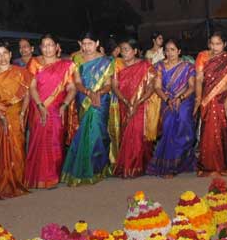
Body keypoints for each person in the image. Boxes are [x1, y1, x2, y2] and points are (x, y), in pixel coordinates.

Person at [62, 32, 114, 185]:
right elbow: (77, 82)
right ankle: (87, 168)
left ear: (97, 43)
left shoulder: (106, 61)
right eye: (84, 44)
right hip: (84, 98)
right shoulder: (77, 59)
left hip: (101, 99)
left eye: (90, 43)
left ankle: (98, 167)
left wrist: (98, 93)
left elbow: (108, 84)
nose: (86, 47)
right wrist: (88, 92)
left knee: (99, 132)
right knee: (86, 131)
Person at [25, 34, 75, 189]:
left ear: (57, 47)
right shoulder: (34, 63)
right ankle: (37, 177)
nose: (47, 48)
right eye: (44, 45)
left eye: (50, 45)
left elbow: (72, 88)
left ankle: (52, 177)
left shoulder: (67, 65)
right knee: (38, 141)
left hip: (57, 108)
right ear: (40, 48)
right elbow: (31, 87)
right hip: (38, 106)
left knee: (55, 142)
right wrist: (40, 106)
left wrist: (64, 105)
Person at [0, 40, 30, 199]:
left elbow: (26, 94)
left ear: (10, 54)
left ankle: (18, 182)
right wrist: (0, 114)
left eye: (5, 53)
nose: (2, 57)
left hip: (16, 114)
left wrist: (23, 113)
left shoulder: (20, 71)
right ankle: (2, 185)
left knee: (17, 147)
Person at [147, 38, 197, 176]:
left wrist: (180, 98)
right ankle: (170, 165)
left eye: (173, 50)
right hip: (167, 99)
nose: (169, 53)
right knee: (169, 122)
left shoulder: (188, 66)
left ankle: (182, 160)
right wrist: (168, 99)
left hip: (184, 99)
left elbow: (192, 87)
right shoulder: (159, 66)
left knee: (183, 119)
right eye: (167, 50)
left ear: (179, 51)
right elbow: (157, 87)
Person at [197, 31, 227, 175]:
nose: (215, 47)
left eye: (218, 44)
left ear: (225, 45)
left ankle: (225, 164)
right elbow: (199, 80)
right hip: (208, 101)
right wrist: (198, 99)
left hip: (223, 100)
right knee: (208, 133)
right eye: (212, 44)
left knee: (224, 132)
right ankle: (208, 165)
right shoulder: (204, 58)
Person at [113, 38, 156, 178]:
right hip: (123, 103)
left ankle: (136, 166)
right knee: (126, 133)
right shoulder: (117, 64)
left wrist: (138, 102)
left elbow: (151, 87)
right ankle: (127, 165)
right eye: (121, 50)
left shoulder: (145, 65)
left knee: (136, 133)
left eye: (127, 49)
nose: (123, 53)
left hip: (141, 104)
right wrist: (125, 101)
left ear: (135, 51)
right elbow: (114, 86)